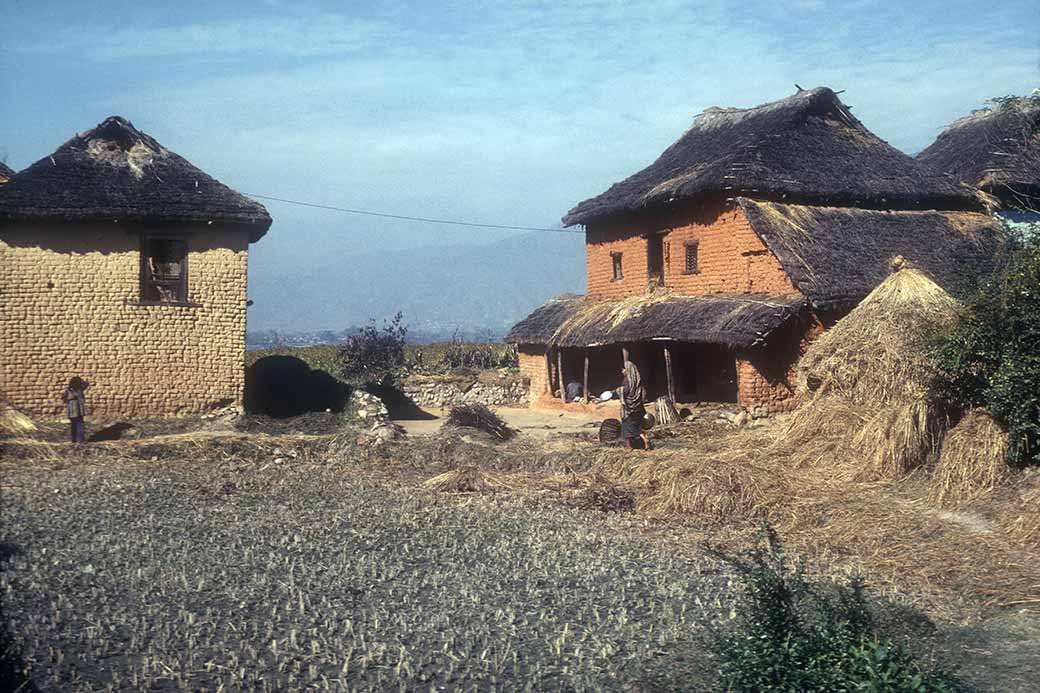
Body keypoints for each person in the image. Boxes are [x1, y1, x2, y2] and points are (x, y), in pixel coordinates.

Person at [618, 361, 650, 450]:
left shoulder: (627, 380)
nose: (622, 372)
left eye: (623, 369)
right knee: (637, 426)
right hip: (637, 407)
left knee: (626, 426)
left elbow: (625, 391)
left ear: (627, 370)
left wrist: (618, 390)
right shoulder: (637, 380)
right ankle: (644, 439)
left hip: (629, 408)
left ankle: (629, 446)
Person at [62, 376, 89, 443]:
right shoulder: (80, 389)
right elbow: (86, 384)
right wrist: (83, 381)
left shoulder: (68, 390)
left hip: (71, 409)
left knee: (73, 424)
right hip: (79, 408)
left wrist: (69, 399)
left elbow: (64, 399)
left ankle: (73, 439)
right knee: (80, 424)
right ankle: (80, 440)